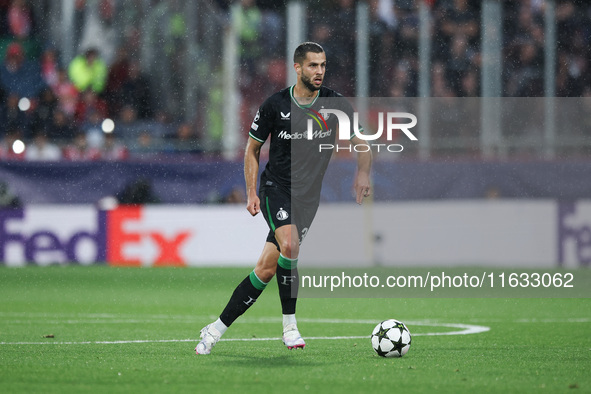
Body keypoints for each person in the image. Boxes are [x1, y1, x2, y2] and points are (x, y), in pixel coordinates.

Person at [195, 42, 372, 355]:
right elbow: (252, 149)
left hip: (307, 199)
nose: (319, 71)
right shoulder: (274, 105)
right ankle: (289, 326)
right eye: (313, 65)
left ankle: (214, 329)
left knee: (265, 268)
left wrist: (363, 174)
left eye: (323, 65)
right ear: (298, 68)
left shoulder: (336, 104)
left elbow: (362, 143)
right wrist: (251, 190)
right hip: (276, 189)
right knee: (290, 245)